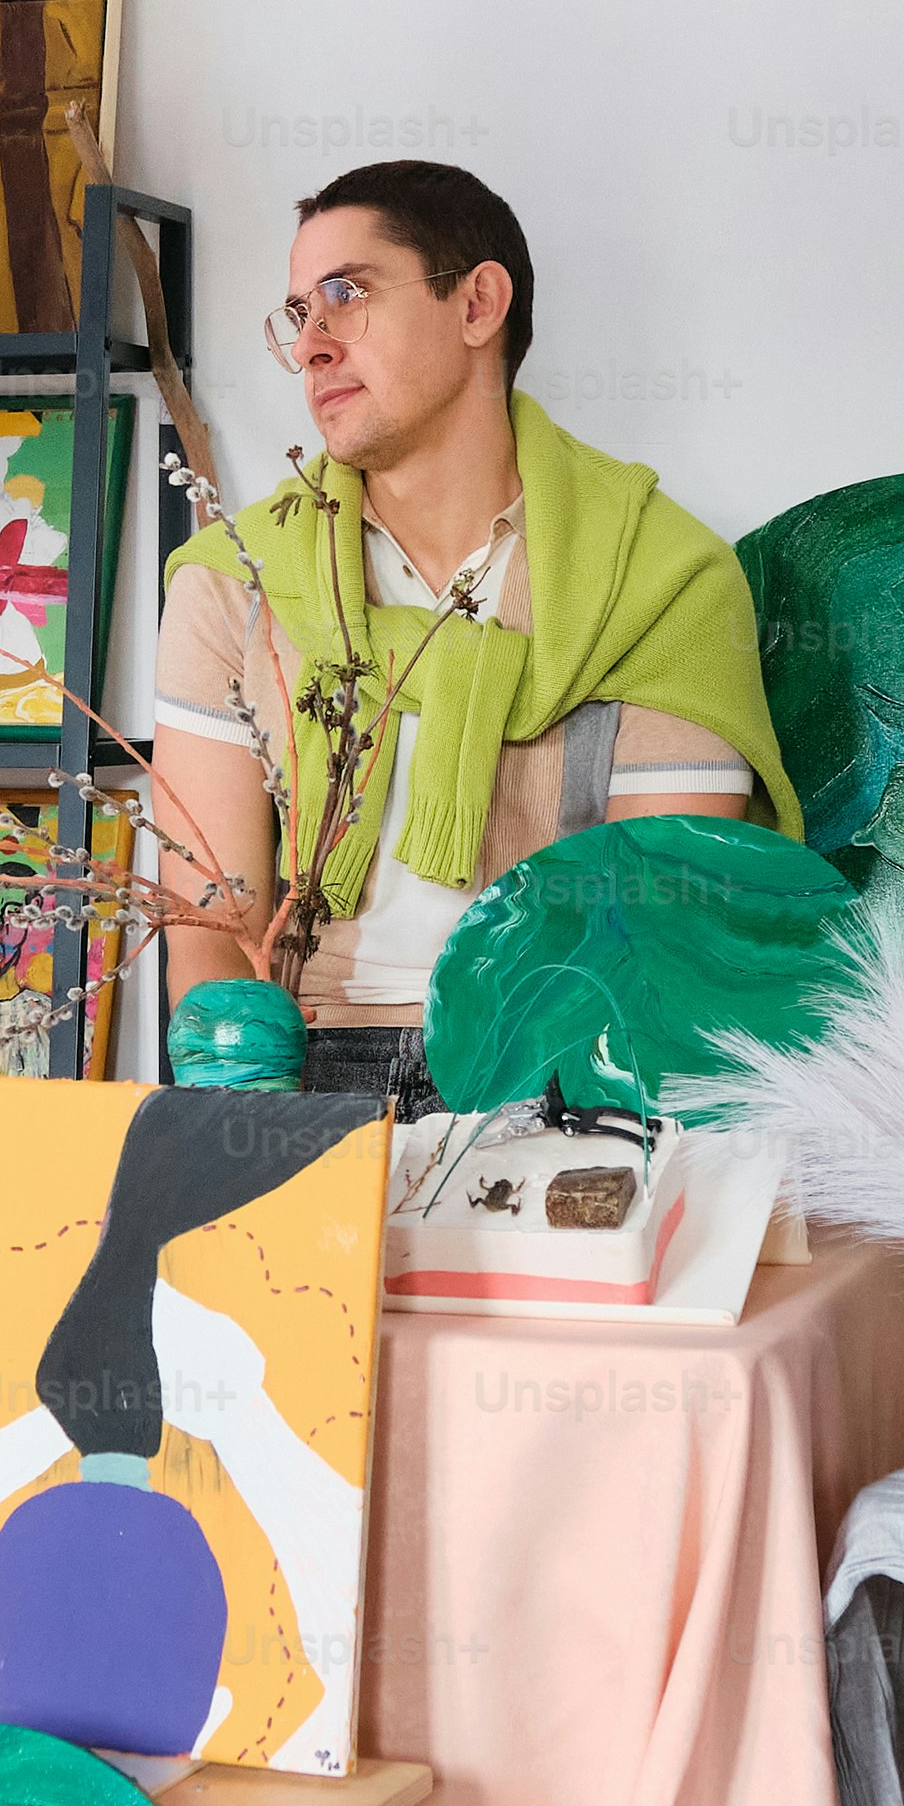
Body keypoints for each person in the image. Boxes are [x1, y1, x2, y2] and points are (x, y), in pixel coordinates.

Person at [144, 161, 796, 1106]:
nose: (312, 345)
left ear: (479, 303)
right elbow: (213, 923)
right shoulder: (232, 582)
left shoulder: (662, 583)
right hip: (300, 1074)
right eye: (297, 314)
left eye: (347, 294)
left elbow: (657, 934)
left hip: (561, 1075)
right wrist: (239, 1085)